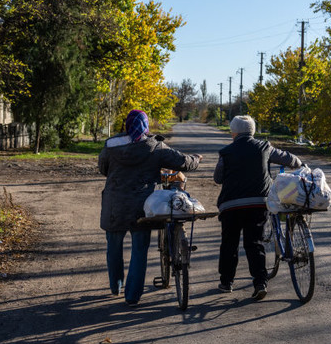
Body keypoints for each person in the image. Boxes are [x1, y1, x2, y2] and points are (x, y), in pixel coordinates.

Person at [99, 109, 202, 307]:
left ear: (127, 124)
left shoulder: (110, 145)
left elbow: (103, 169)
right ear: (145, 126)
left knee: (113, 246)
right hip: (142, 206)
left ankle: (115, 286)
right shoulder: (154, 146)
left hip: (114, 204)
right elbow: (182, 162)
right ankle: (132, 296)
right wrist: (196, 158)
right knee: (139, 250)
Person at [213, 115, 303, 300]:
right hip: (258, 203)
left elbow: (218, 178)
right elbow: (289, 159)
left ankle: (226, 282)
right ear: (252, 131)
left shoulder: (226, 152)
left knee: (229, 243)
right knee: (254, 243)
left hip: (231, 205)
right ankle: (260, 282)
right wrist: (300, 164)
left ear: (234, 132)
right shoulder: (264, 147)